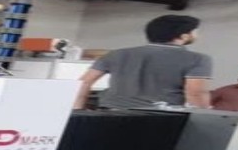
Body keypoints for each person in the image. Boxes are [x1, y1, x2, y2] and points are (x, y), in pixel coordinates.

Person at [73, 15, 213, 110]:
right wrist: (204, 117)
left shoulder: (117, 54)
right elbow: (195, 94)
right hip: (158, 117)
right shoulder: (197, 59)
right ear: (184, 36)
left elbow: (83, 83)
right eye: (196, 32)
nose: (197, 35)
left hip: (109, 112)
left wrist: (77, 109)